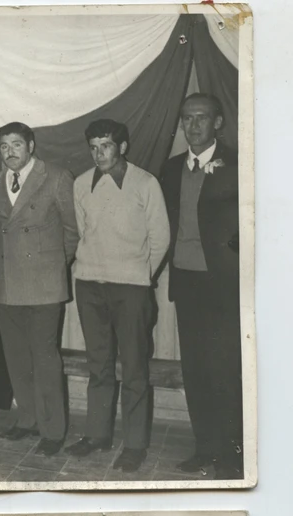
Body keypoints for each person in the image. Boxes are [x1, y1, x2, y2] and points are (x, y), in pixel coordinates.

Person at [66, 119, 170, 472]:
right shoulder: (81, 184)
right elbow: (84, 233)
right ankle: (98, 434)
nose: (99, 154)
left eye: (106, 146)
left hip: (132, 290)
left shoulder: (146, 183)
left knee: (135, 367)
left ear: (122, 147)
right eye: (93, 148)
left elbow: (160, 239)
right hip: (90, 285)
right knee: (98, 365)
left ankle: (135, 444)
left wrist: (139, 277)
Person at [160, 93, 243, 480]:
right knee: (194, 370)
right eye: (187, 118)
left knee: (225, 368)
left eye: (201, 118)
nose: (193, 126)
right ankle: (204, 448)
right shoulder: (171, 168)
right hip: (186, 282)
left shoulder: (238, 165)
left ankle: (232, 453)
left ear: (217, 123)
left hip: (223, 286)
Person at [0, 122, 78, 456]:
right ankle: (27, 420)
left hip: (43, 285)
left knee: (44, 358)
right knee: (16, 357)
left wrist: (52, 266)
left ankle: (53, 430)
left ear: (31, 145)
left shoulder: (55, 177)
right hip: (7, 283)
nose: (10, 152)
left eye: (16, 144)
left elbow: (73, 230)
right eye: (4, 146)